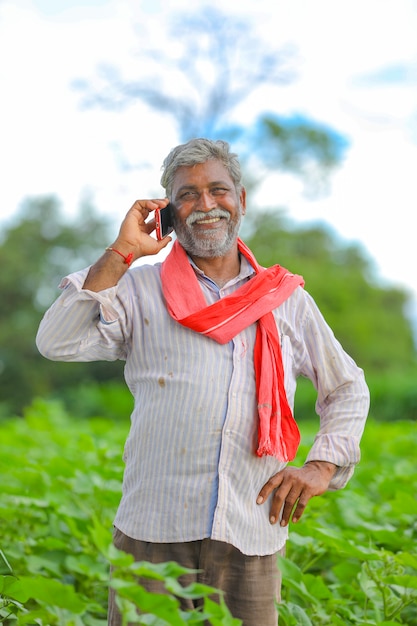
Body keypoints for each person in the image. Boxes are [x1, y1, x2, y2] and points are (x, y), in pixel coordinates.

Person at [36, 138, 370, 626]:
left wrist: (321, 467)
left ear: (241, 199)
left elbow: (347, 387)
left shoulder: (285, 300)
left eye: (218, 190)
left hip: (250, 532)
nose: (205, 205)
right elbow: (57, 341)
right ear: (167, 212)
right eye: (187, 195)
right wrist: (123, 250)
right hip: (151, 532)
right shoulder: (136, 289)